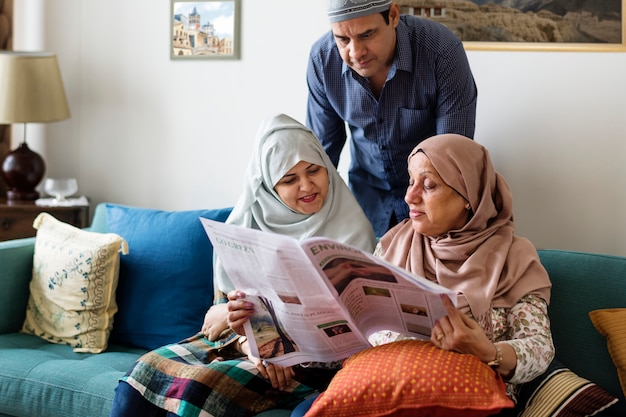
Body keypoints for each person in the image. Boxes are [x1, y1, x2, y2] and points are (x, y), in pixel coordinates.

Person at [109, 113, 377, 417]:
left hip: (311, 363)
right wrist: (252, 345)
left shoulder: (353, 229)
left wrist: (270, 351)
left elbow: (357, 327)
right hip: (239, 344)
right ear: (268, 187)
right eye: (289, 179)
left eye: (314, 170)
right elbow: (217, 317)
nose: (307, 185)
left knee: (196, 392)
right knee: (140, 376)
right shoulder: (246, 224)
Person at [289, 134, 555, 416]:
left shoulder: (513, 255)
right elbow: (355, 335)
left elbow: (539, 349)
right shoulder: (393, 244)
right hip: (375, 390)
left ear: (469, 195)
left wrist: (487, 352)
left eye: (428, 185)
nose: (409, 196)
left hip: (467, 399)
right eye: (411, 181)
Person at [306, 0, 478, 236]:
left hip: (436, 204)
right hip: (366, 203)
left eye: (367, 35)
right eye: (343, 40)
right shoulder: (323, 61)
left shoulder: (441, 52)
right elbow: (321, 158)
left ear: (394, 15)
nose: (355, 52)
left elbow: (451, 160)